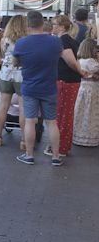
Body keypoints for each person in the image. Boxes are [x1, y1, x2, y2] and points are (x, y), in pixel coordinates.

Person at [13, 11, 64, 166]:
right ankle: (56, 157)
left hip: (29, 88)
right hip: (49, 87)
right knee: (51, 122)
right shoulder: (55, 42)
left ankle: (29, 155)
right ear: (43, 23)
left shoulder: (21, 43)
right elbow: (59, 56)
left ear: (28, 24)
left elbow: (15, 63)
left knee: (30, 121)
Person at [45, 15, 84, 157]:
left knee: (62, 115)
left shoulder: (63, 41)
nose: (52, 26)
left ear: (62, 27)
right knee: (64, 114)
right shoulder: (69, 40)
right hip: (68, 81)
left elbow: (71, 61)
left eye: (54, 24)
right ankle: (62, 146)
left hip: (65, 82)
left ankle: (60, 148)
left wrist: (81, 72)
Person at [0, 15, 27, 149]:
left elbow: (4, 54)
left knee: (3, 106)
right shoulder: (26, 40)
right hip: (21, 75)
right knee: (23, 108)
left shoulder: (4, 40)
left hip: (5, 74)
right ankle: (24, 140)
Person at [72, 38, 99, 147]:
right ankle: (90, 137)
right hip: (92, 90)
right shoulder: (91, 62)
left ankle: (78, 136)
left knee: (81, 112)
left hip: (82, 88)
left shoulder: (80, 61)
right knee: (91, 112)